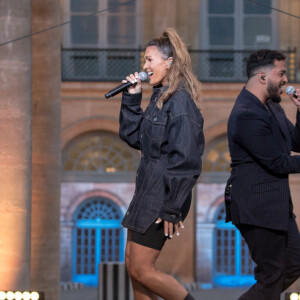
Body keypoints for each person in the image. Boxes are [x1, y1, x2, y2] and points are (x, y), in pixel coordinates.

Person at [118, 28, 204, 300]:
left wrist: (171, 207)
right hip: (147, 189)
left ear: (169, 62)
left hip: (164, 193)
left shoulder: (180, 102)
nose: (144, 66)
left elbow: (186, 159)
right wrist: (132, 97)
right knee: (133, 265)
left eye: (149, 59)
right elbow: (134, 137)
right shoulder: (159, 97)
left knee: (143, 268)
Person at [225, 49, 300, 300]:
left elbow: (297, 143)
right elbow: (278, 163)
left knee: (293, 264)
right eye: (281, 73)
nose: (286, 80)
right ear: (263, 77)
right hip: (258, 208)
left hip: (277, 208)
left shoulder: (273, 108)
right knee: (271, 275)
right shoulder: (246, 113)